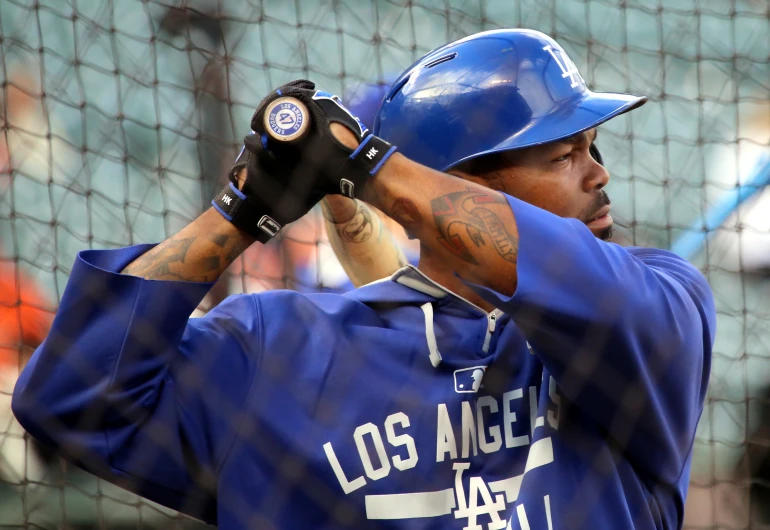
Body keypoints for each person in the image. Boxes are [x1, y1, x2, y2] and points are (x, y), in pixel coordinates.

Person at [12, 30, 715, 530]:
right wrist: (241, 209)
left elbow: (572, 279)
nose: (601, 174)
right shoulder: (275, 351)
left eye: (593, 148)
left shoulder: (659, 307)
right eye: (565, 154)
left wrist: (365, 166)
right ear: (447, 183)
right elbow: (73, 396)